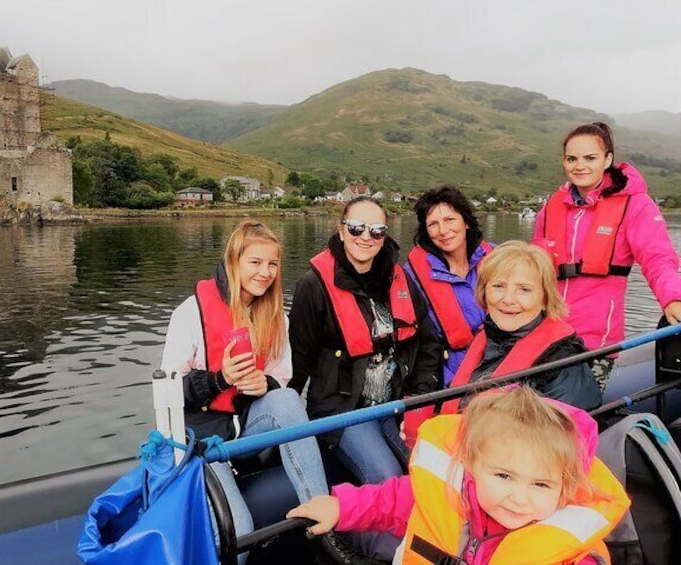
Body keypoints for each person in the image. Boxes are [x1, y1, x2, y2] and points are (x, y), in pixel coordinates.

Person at [287, 386, 630, 564]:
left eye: (541, 484)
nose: (520, 497)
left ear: (565, 489)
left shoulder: (575, 552)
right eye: (504, 476)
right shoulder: (445, 492)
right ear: (472, 464)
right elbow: (386, 501)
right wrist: (338, 507)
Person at [160, 220, 329, 564]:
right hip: (203, 437)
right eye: (255, 262)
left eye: (272, 264)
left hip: (245, 427)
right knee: (239, 531)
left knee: (285, 397)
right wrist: (220, 380)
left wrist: (263, 384)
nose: (265, 273)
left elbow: (281, 382)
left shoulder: (274, 316)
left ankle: (323, 518)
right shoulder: (190, 313)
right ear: (234, 262)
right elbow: (168, 394)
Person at [289, 195, 442, 483]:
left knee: (429, 471)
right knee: (388, 477)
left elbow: (428, 343)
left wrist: (419, 399)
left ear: (384, 236)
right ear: (341, 229)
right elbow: (298, 359)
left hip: (394, 405)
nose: (366, 237)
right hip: (342, 412)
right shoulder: (312, 286)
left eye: (377, 231)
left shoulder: (400, 280)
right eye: (357, 227)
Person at [533, 121, 681, 390]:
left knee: (577, 412)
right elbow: (532, 268)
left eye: (590, 158)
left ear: (608, 159)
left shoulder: (635, 204)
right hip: (546, 335)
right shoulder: (551, 207)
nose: (580, 166)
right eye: (571, 159)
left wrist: (673, 298)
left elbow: (658, 257)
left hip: (594, 341)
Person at [439, 240, 602, 415]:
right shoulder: (487, 340)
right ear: (484, 292)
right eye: (498, 286)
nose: (508, 299)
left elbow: (565, 432)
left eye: (524, 289)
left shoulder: (563, 362)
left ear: (545, 300)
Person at [404, 185, 494, 387]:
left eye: (450, 220)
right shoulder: (411, 277)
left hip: (502, 362)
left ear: (466, 222)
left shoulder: (497, 258)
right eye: (433, 224)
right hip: (449, 375)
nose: (443, 231)